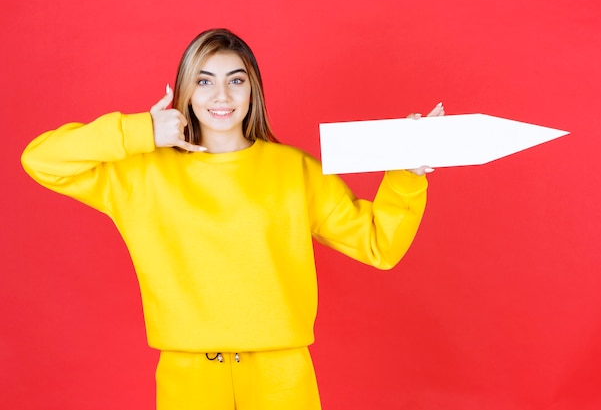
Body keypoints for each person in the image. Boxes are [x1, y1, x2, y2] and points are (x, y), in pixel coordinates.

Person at [21, 28, 444, 410]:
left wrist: (407, 173)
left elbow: (378, 244)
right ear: (185, 90)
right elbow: (41, 160)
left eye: (235, 80)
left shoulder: (292, 170)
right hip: (188, 377)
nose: (221, 96)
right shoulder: (141, 172)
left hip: (282, 377)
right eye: (205, 81)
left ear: (252, 91)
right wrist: (140, 132)